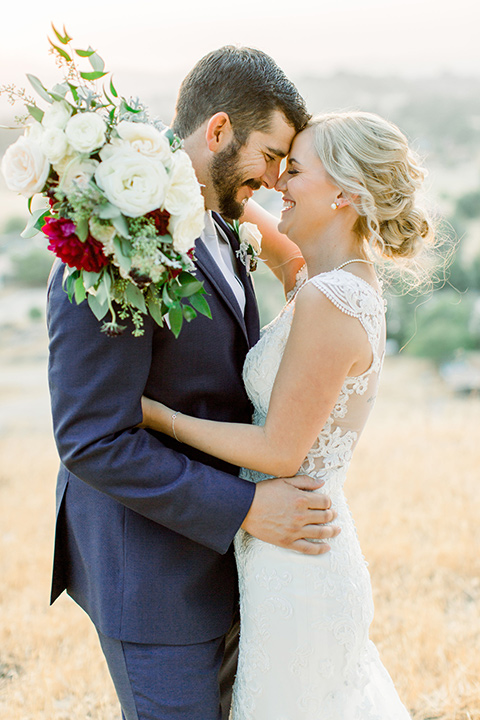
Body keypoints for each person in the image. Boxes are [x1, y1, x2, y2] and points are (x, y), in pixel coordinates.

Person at [46, 47, 339, 720]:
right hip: (151, 581)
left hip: (226, 570)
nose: (271, 181)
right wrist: (245, 510)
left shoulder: (219, 215)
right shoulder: (117, 242)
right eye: (270, 156)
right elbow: (93, 441)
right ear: (218, 132)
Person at [140, 111, 435, 719]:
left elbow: (279, 451)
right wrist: (162, 162)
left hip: (298, 565)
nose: (278, 183)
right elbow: (248, 215)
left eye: (294, 170)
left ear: (344, 193)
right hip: (286, 549)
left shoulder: (330, 300)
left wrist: (153, 417)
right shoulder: (329, 278)